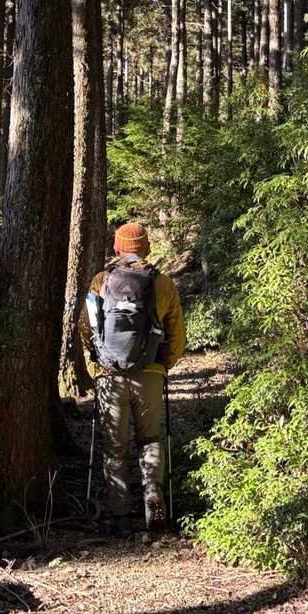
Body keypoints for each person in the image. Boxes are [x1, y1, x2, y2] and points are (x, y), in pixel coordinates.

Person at [79, 220, 185, 532]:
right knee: (150, 439)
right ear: (146, 248)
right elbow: (177, 333)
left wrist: (94, 365)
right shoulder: (163, 283)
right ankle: (153, 496)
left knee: (115, 448)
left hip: (109, 375)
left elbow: (85, 326)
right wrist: (165, 364)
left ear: (117, 248)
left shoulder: (101, 281)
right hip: (150, 373)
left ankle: (120, 516)